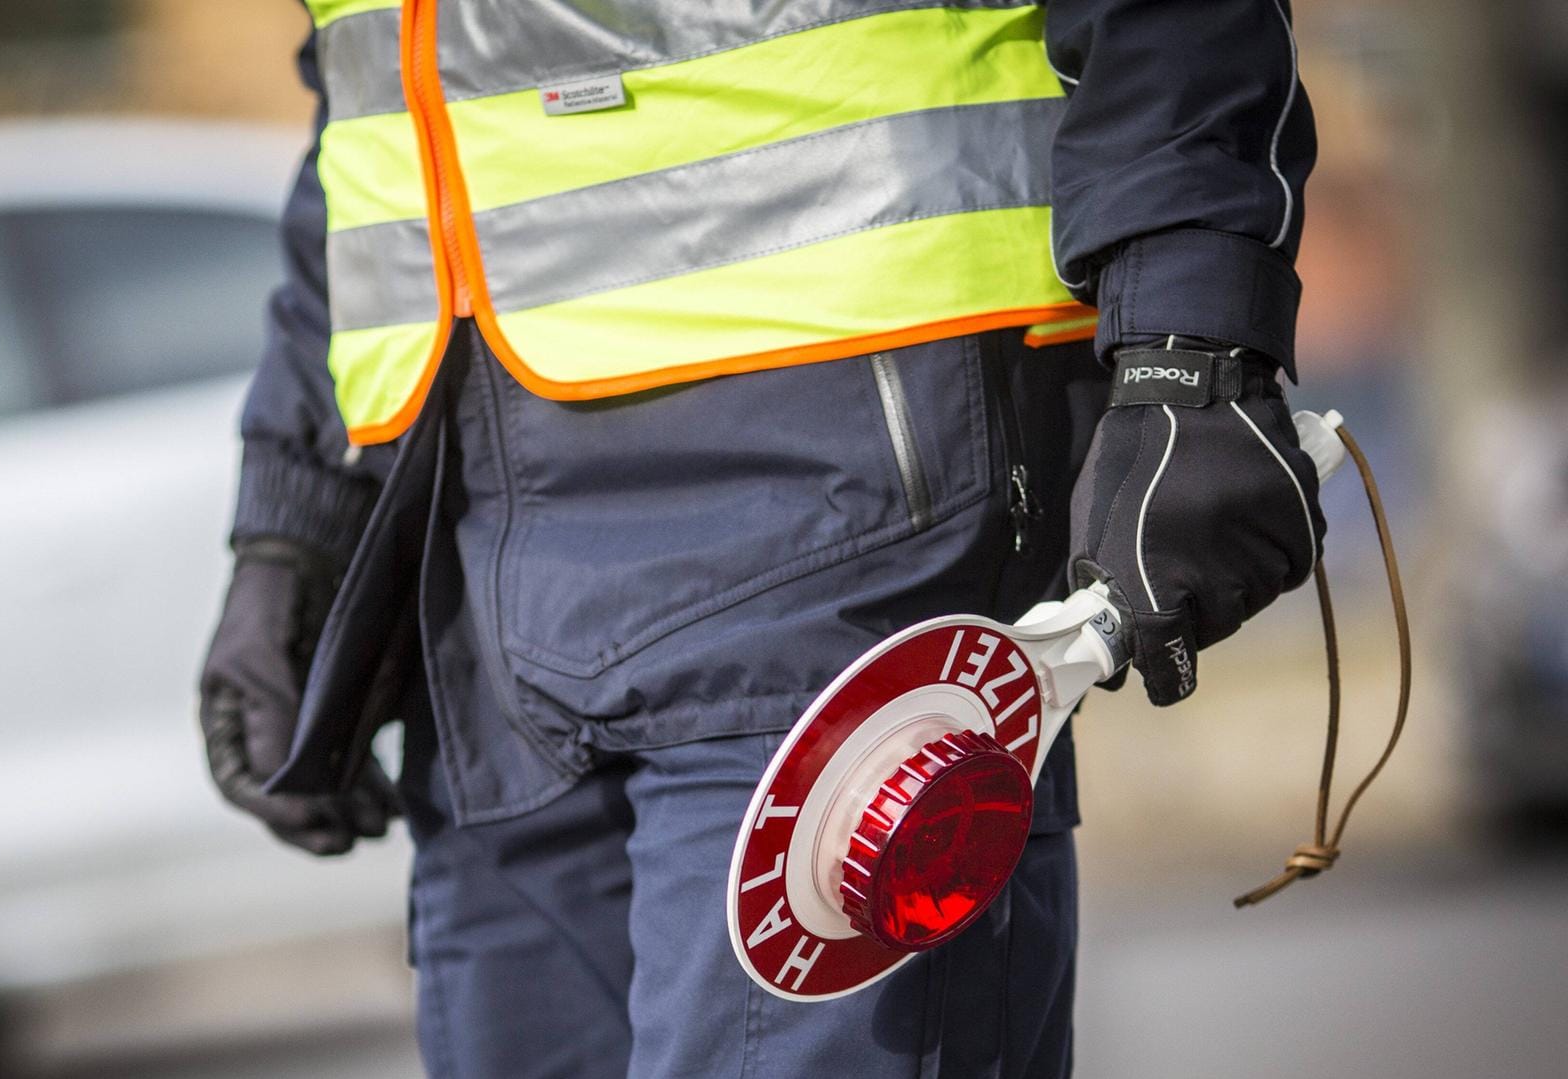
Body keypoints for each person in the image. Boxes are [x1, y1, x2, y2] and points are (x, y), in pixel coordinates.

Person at [198, 1, 1324, 1075]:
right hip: (473, 567)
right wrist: (298, 523)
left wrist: (1193, 332)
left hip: (833, 497)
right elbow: (386, 94)